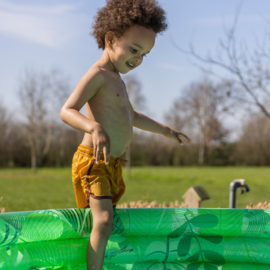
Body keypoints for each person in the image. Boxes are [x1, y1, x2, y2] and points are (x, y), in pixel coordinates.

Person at [60, 0, 191, 269]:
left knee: (107, 221)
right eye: (134, 49)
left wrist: (166, 131)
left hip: (113, 165)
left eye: (145, 54)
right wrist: (93, 127)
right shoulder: (96, 75)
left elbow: (133, 117)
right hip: (94, 162)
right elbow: (67, 109)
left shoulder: (118, 80)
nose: (138, 59)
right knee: (104, 221)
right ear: (110, 39)